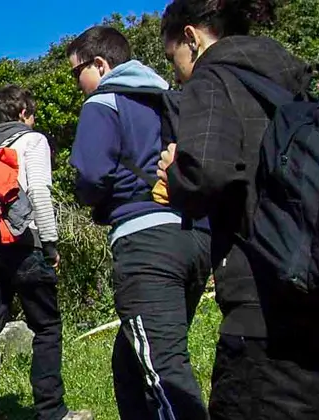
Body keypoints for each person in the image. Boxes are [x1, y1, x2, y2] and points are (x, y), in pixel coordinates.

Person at [157, 0, 319, 418]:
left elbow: (206, 174)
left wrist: (174, 172)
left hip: (271, 323)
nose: (176, 73)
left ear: (191, 37)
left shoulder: (214, 79)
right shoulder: (298, 80)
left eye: (174, 59)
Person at [66, 26, 213, 420]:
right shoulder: (172, 99)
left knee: (164, 373)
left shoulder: (104, 102)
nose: (76, 83)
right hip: (194, 237)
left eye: (75, 72)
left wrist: (94, 200)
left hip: (145, 242)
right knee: (130, 363)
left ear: (100, 64)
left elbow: (91, 174)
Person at [0, 85, 86, 420]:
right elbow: (40, 193)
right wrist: (51, 243)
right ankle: (51, 411)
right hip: (22, 243)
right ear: (25, 113)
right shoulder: (32, 140)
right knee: (46, 326)